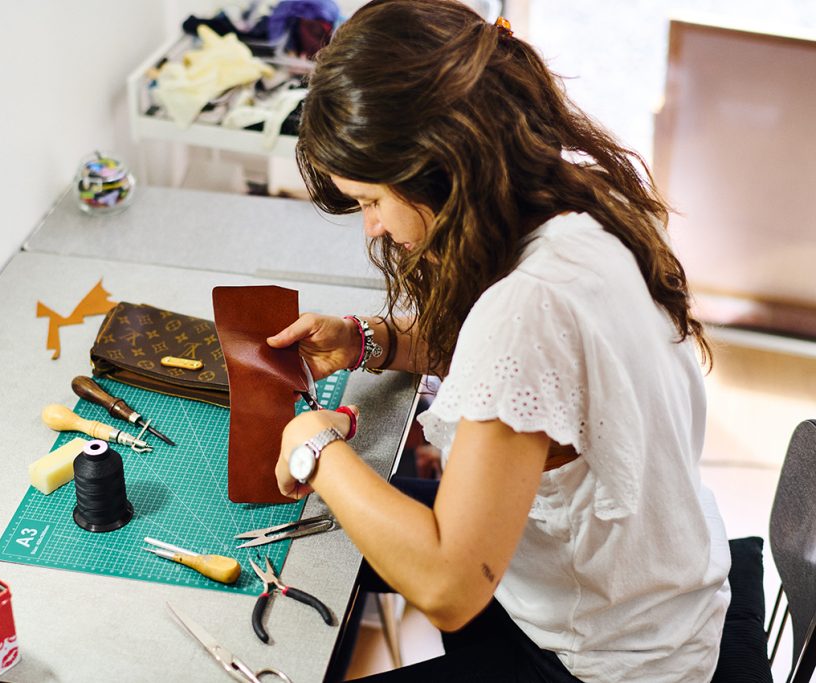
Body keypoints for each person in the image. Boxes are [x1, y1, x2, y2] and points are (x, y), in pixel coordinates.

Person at [265, 1, 731, 681]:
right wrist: (373, 341)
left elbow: (450, 587)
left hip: (607, 660)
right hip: (655, 599)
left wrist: (315, 446)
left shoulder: (524, 312)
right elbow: (528, 371)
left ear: (439, 167)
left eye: (371, 200)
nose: (371, 228)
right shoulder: (576, 211)